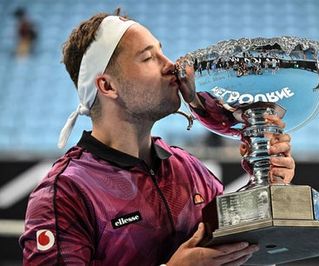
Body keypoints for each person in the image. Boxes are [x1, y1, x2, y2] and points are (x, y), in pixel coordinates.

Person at [19, 9, 295, 266]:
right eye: (149, 57)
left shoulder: (190, 169)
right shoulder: (66, 193)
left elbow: (239, 254)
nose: (171, 65)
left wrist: (267, 187)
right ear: (107, 85)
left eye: (162, 52)